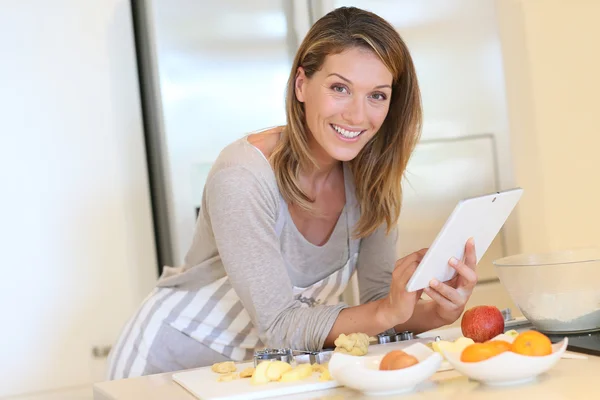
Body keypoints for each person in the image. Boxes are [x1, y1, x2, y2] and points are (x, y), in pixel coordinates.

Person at [106, 6, 478, 380]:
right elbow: (281, 324)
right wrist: (387, 311)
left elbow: (379, 302)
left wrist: (438, 311)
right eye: (339, 88)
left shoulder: (372, 179)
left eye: (377, 96)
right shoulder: (243, 175)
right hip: (169, 366)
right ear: (301, 84)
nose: (357, 115)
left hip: (265, 369)